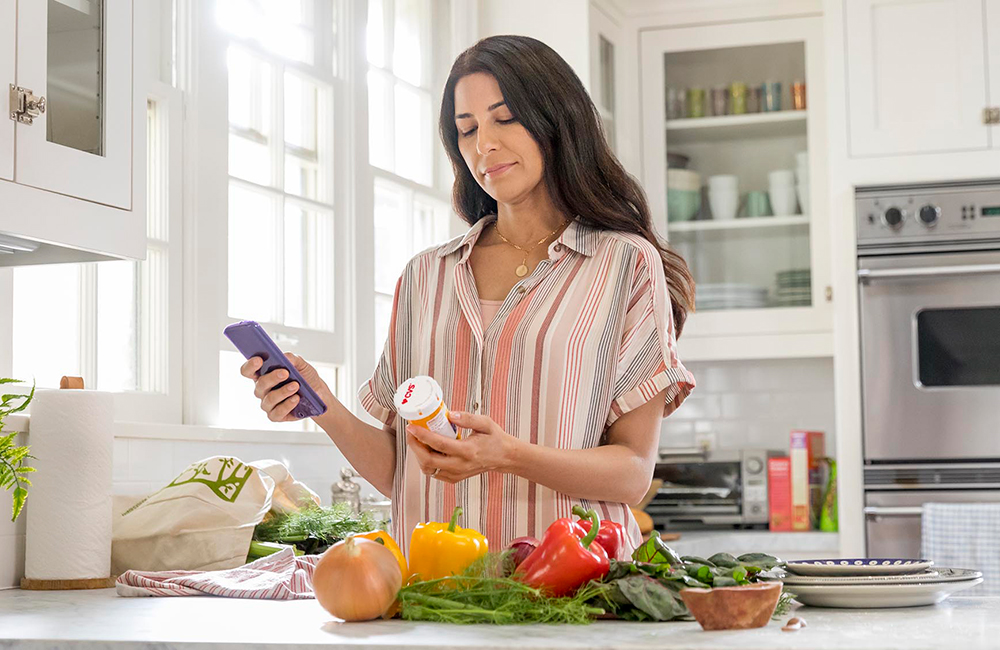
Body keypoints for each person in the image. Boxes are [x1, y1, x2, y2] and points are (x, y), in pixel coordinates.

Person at [241, 35, 696, 558]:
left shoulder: (624, 265)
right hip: (436, 595)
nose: (485, 144)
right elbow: (403, 473)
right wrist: (320, 404)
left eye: (505, 119)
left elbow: (633, 474)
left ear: (557, 120)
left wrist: (508, 455)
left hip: (571, 595)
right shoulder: (424, 278)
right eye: (467, 129)